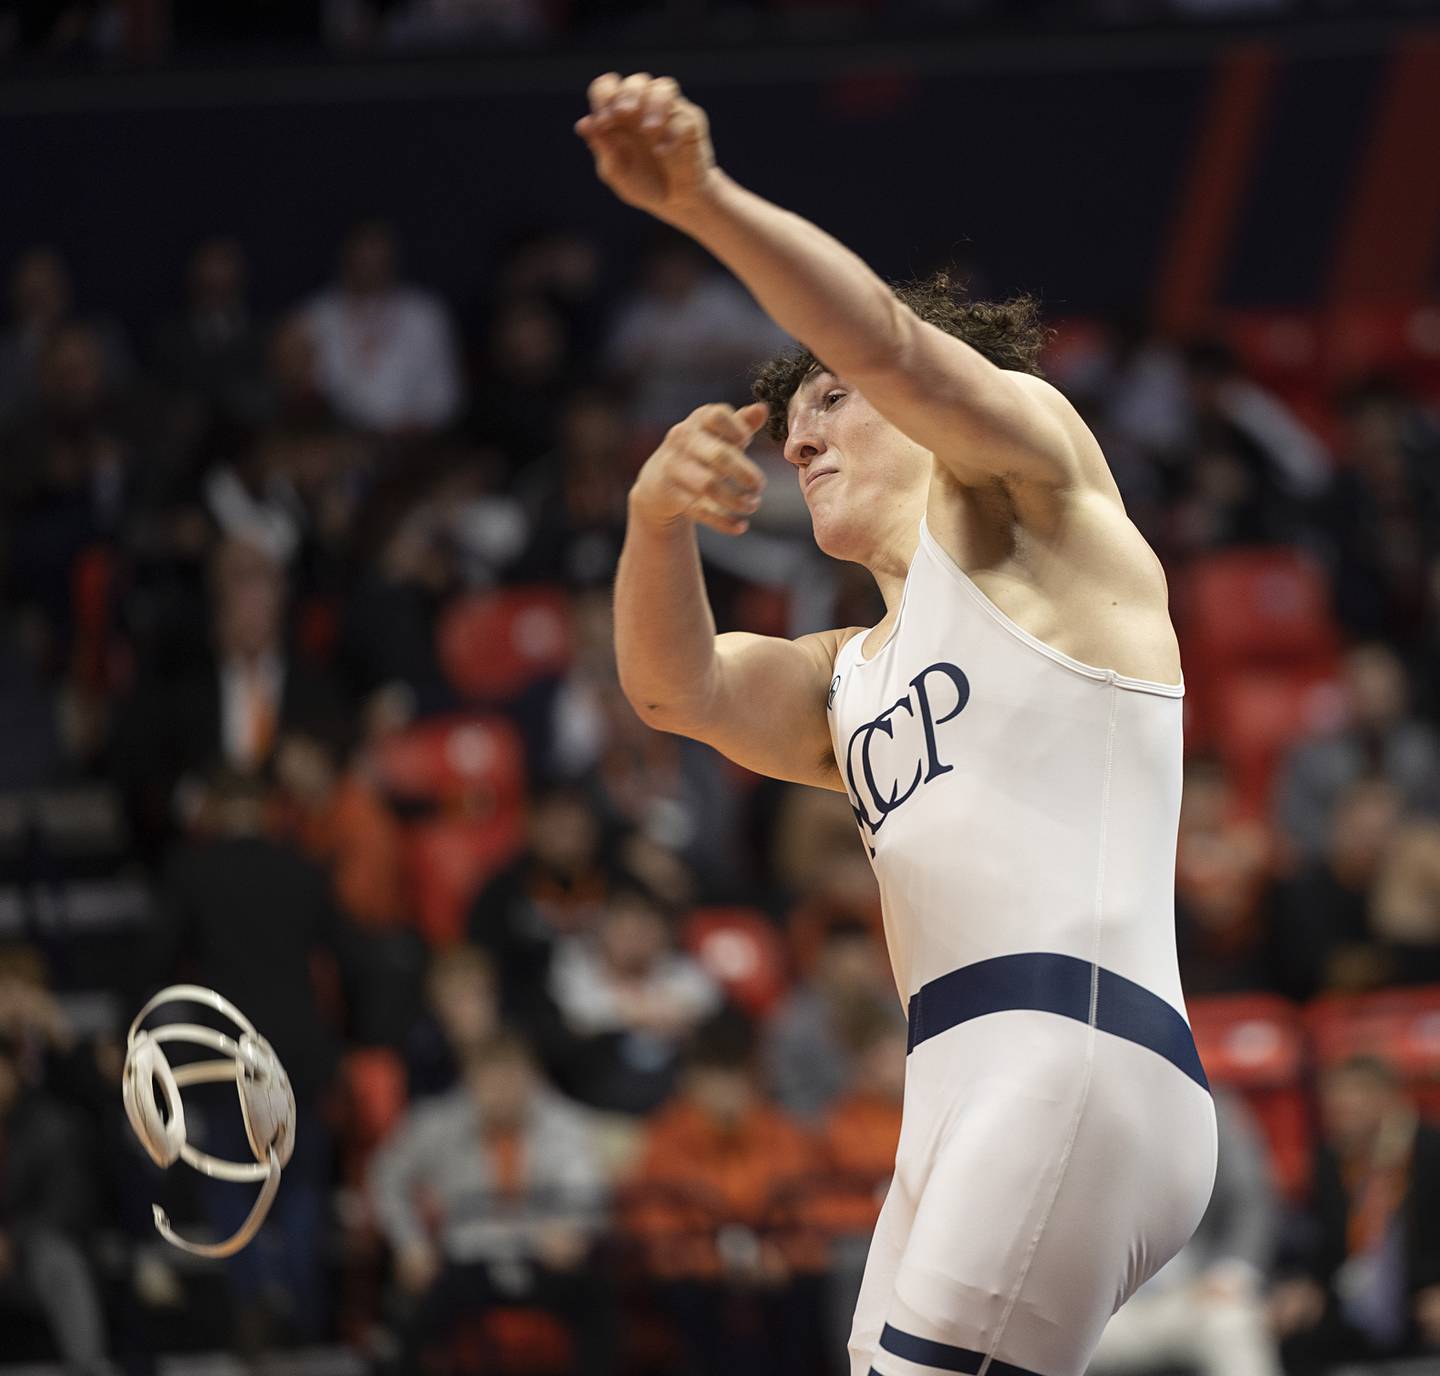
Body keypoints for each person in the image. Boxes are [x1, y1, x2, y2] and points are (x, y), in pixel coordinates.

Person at [578, 72, 1217, 1376]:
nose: (802, 434)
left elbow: (879, 336)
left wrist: (703, 203)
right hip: (958, 1094)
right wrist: (652, 522)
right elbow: (673, 692)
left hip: (1076, 1048)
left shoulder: (1035, 495)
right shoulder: (851, 671)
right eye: (792, 412)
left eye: (830, 403)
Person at [369, 1031, 613, 1374]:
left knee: (601, 1303)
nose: (503, 1093)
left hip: (541, 1254)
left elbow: (588, 1189)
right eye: (491, 1081)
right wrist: (410, 1244)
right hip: (466, 1257)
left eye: (513, 1080)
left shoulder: (563, 1124)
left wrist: (574, 1231)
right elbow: (386, 1178)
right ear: (471, 1081)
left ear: (532, 1079)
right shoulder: (438, 1122)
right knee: (412, 1322)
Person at [1088, 1090, 1283, 1376]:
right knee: (1045, 1345)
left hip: (1194, 1292)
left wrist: (1230, 1273)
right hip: (1111, 1304)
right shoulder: (1092, 1114)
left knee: (1232, 1325)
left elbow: (1248, 1201)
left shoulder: (1209, 1109)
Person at [1270, 1055, 1440, 1371]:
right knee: (1289, 1334)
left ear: (1387, 1101)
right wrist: (1305, 1285)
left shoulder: (1430, 1151)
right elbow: (1319, 1244)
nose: (1339, 1122)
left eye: (1350, 1110)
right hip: (1350, 1307)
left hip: (1421, 1302)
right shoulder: (1330, 1161)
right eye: (1333, 1112)